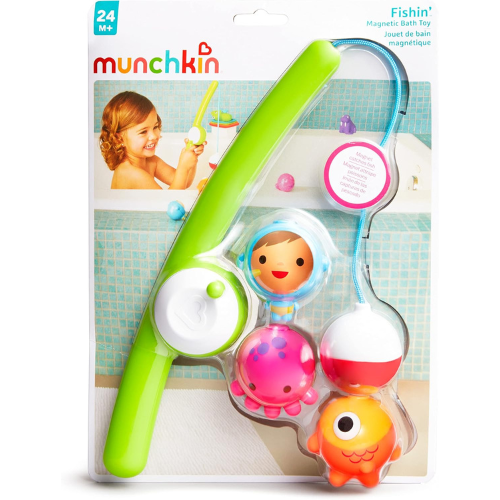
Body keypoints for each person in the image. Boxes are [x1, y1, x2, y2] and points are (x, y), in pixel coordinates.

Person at [99, 91, 205, 189]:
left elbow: (185, 182)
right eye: (143, 132)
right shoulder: (130, 173)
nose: (153, 136)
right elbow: (169, 201)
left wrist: (192, 155)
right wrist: (183, 167)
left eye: (155, 127)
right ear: (119, 138)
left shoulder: (151, 161)